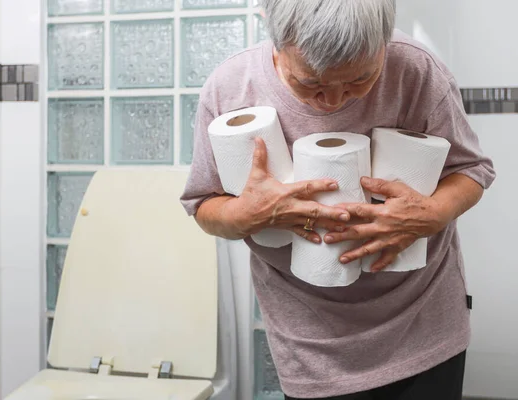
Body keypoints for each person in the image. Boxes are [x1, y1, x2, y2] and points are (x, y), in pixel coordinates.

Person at [180, 0, 496, 399]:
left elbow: (473, 170)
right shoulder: (231, 88)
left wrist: (433, 213)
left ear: (384, 44)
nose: (334, 101)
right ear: (277, 41)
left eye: (359, 81)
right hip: (309, 341)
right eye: (310, 83)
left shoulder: (417, 71)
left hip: (424, 321)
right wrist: (245, 213)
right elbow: (203, 206)